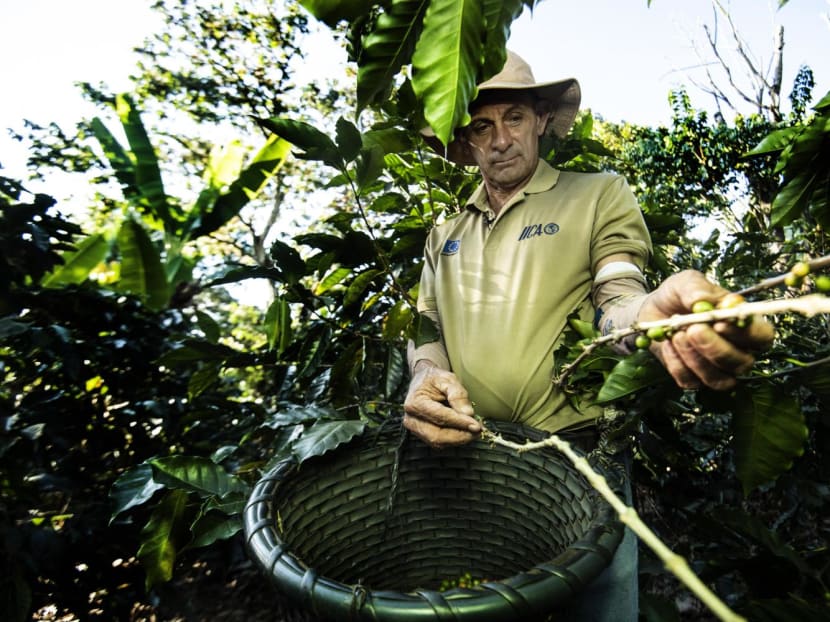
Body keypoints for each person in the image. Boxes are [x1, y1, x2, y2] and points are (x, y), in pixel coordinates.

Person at [403, 51, 774, 620]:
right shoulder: (444, 233)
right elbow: (428, 326)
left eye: (515, 118)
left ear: (543, 119)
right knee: (485, 599)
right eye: (482, 125)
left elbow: (616, 300)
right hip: (475, 462)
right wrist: (427, 375)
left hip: (576, 455)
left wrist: (650, 317)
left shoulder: (597, 194)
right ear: (465, 141)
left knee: (598, 601)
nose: (500, 139)